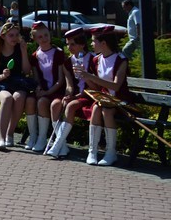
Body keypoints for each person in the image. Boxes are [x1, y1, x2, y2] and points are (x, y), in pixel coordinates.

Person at [76, 26, 131, 166]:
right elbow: (96, 87)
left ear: (104, 43)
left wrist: (91, 77)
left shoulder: (121, 60)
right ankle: (92, 151)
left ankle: (111, 152)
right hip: (103, 98)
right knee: (96, 109)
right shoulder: (96, 60)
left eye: (94, 41)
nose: (91, 44)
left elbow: (116, 86)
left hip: (119, 100)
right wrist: (85, 77)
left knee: (107, 111)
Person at [45, 27, 93, 159]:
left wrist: (76, 96)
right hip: (76, 95)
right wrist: (68, 95)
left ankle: (57, 145)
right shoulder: (67, 62)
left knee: (70, 106)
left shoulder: (92, 59)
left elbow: (94, 87)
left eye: (73, 44)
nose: (69, 47)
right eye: (67, 44)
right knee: (56, 105)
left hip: (89, 96)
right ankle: (63, 146)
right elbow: (70, 85)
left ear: (82, 44)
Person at [0, 21, 35, 151]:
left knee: (19, 97)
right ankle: (1, 138)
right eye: (11, 35)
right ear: (3, 36)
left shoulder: (19, 49)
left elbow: (26, 71)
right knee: (7, 98)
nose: (14, 38)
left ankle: (10, 133)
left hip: (19, 82)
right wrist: (2, 76)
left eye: (16, 35)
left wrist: (24, 51)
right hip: (1, 84)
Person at [26, 22, 65, 152]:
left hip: (56, 91)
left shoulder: (58, 53)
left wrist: (47, 92)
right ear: (35, 39)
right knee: (33, 100)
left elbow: (60, 80)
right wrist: (39, 89)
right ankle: (36, 137)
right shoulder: (34, 56)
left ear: (50, 35)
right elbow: (36, 78)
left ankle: (46, 139)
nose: (44, 39)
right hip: (43, 91)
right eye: (40, 37)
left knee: (44, 102)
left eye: (46, 35)